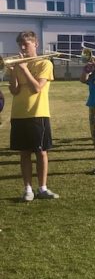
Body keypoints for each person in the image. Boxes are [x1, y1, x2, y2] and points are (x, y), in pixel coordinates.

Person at [7, 31, 59, 201]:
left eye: (26, 44)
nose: (22, 48)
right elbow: (14, 91)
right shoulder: (18, 65)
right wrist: (14, 72)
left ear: (35, 44)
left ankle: (42, 188)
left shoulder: (45, 63)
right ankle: (28, 188)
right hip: (19, 114)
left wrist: (23, 68)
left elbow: (37, 88)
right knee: (24, 153)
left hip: (38, 113)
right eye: (20, 44)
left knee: (41, 152)